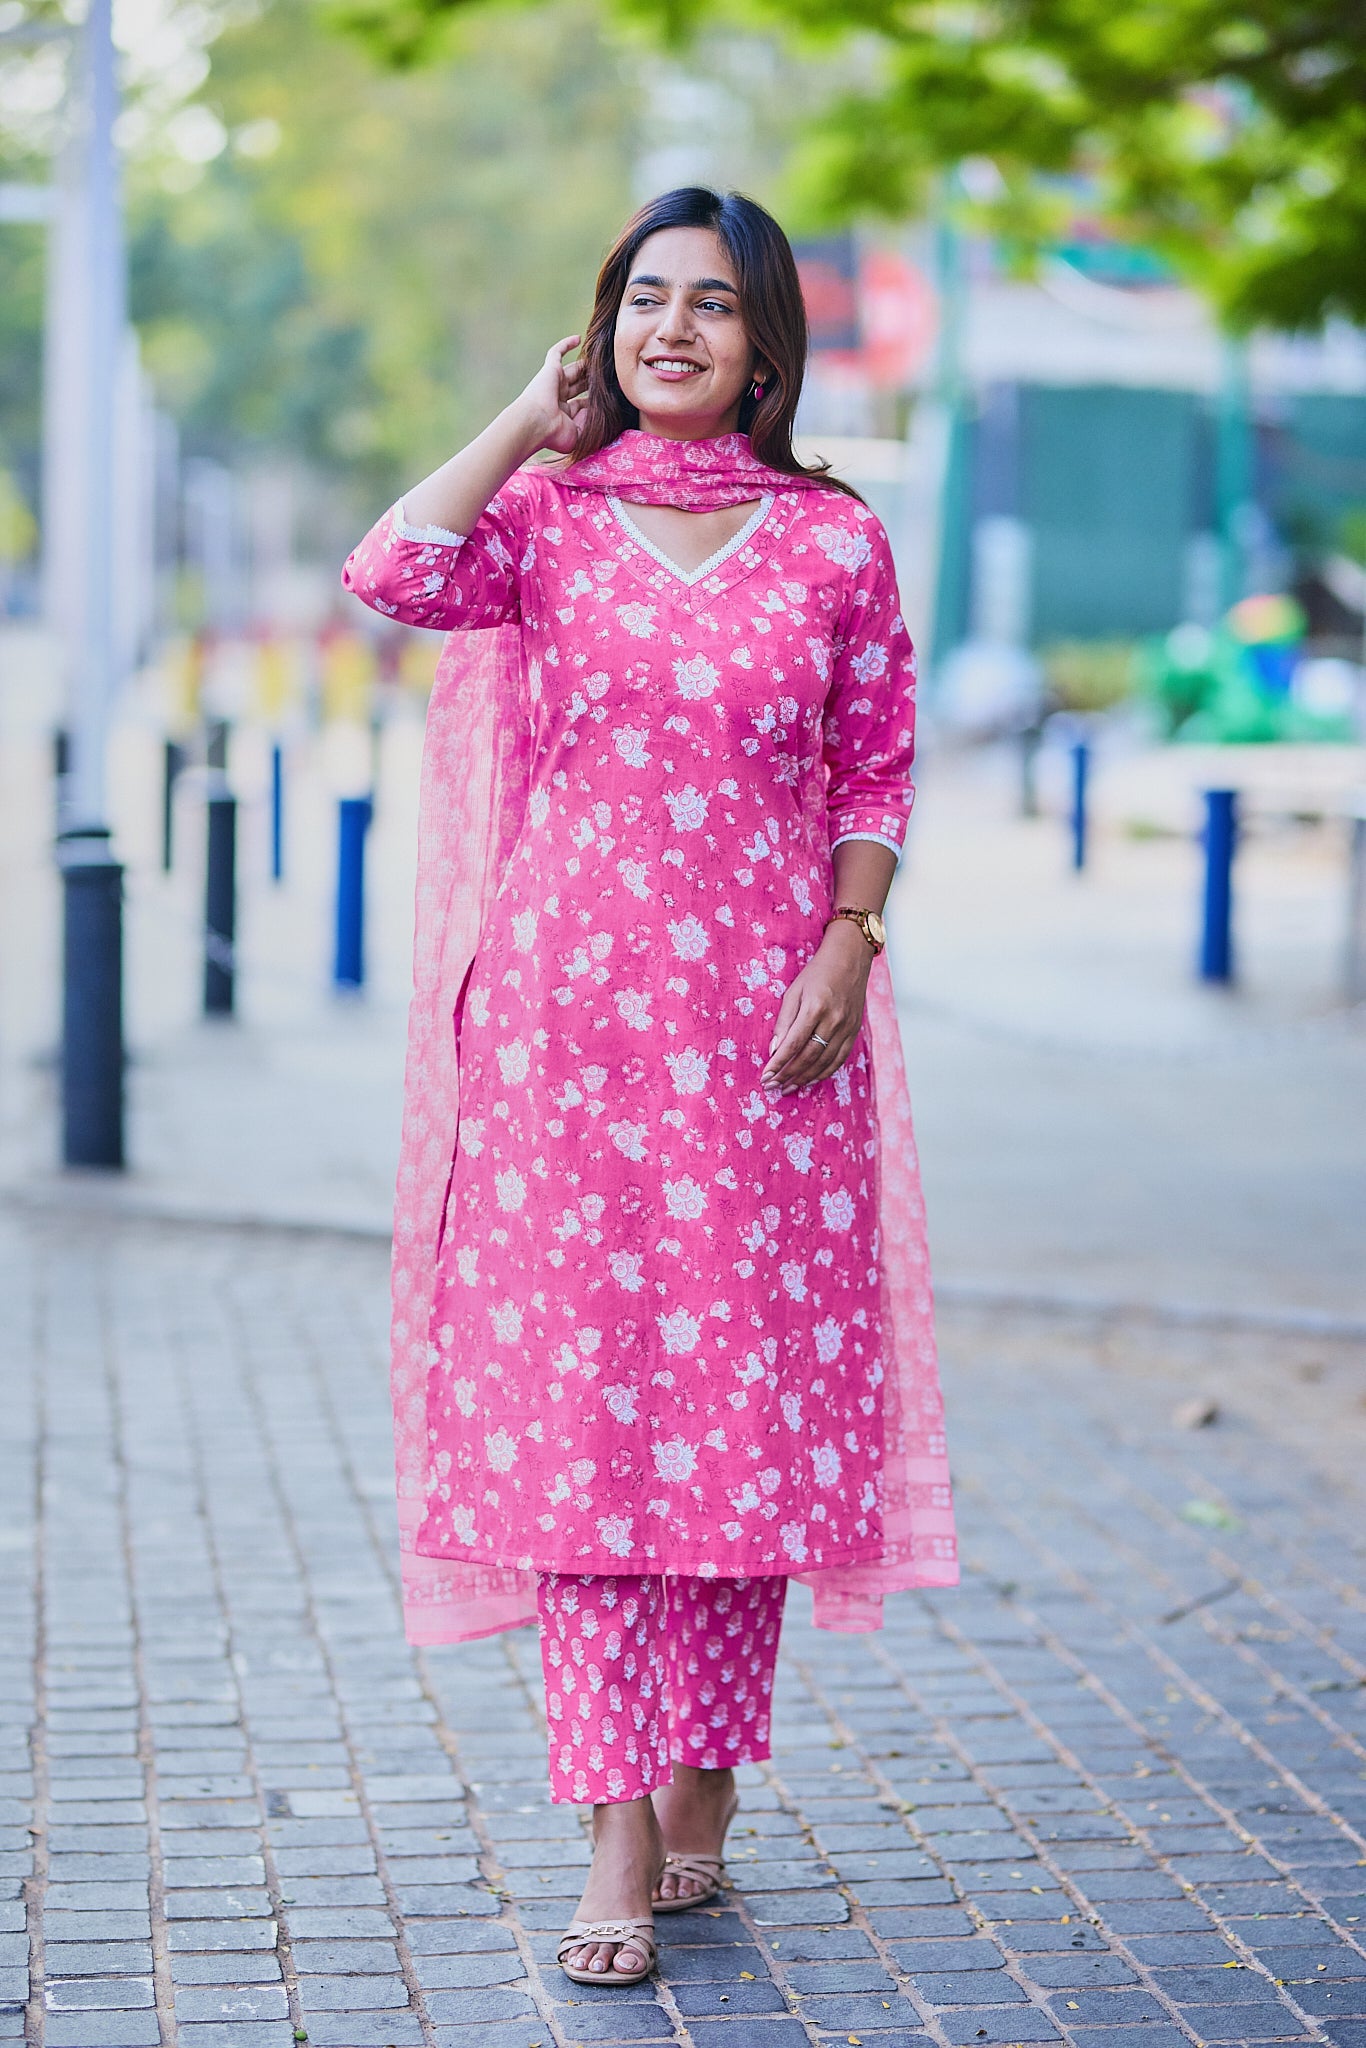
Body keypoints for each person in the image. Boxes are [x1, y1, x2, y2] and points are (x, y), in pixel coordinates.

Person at [342, 184, 957, 1989]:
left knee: (733, 1421)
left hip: (769, 1050)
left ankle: (704, 1772)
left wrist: (848, 946)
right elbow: (390, 573)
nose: (669, 329)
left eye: (708, 305)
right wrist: (533, 420)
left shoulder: (830, 542)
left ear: (768, 342)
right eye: (638, 303)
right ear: (602, 332)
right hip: (561, 1043)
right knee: (586, 1423)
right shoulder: (543, 520)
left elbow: (876, 764)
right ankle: (616, 1824)